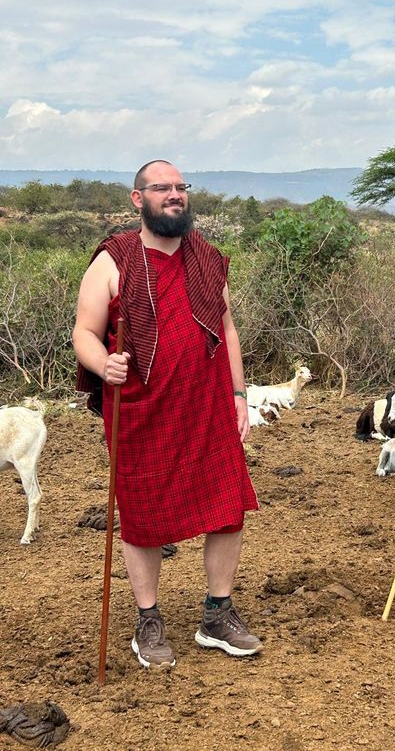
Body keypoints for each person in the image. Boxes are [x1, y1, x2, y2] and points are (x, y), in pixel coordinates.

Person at [73, 160, 262, 668]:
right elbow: (84, 333)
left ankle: (217, 614)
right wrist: (102, 363)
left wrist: (239, 395)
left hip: (206, 406)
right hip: (139, 409)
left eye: (181, 187)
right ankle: (148, 620)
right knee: (142, 517)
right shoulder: (113, 261)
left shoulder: (206, 256)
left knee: (227, 506)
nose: (174, 195)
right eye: (162, 188)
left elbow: (225, 327)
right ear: (138, 199)